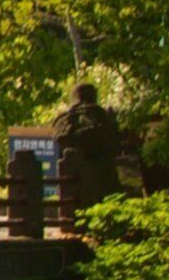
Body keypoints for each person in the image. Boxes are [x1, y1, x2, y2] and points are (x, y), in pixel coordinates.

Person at [56, 83, 131, 214]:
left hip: (76, 176)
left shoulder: (65, 119)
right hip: (103, 170)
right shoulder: (101, 116)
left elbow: (60, 139)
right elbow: (115, 144)